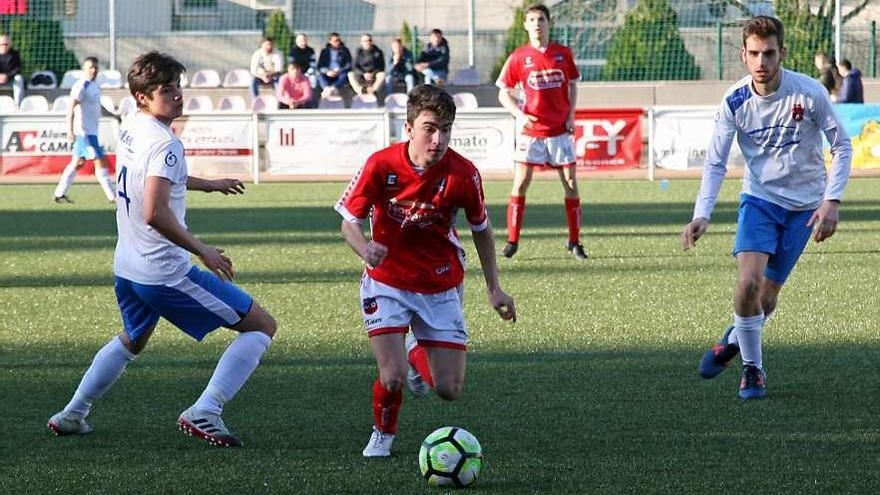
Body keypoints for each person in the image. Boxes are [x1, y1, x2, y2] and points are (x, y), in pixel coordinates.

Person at [47, 52, 277, 447]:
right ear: (142, 98)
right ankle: (206, 410)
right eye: (165, 90)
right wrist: (202, 249)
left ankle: (73, 413)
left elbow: (150, 181)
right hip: (163, 272)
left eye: (178, 87)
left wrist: (209, 184)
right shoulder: (167, 143)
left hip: (127, 265)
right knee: (261, 326)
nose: (177, 96)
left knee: (134, 338)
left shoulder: (133, 127)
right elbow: (155, 212)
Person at [334, 84, 516, 457]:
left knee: (448, 389)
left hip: (440, 283)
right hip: (387, 283)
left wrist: (494, 288)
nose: (438, 138)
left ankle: (417, 345)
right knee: (393, 376)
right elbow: (348, 222)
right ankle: (383, 435)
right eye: (430, 128)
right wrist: (364, 248)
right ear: (409, 127)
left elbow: (481, 230)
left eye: (446, 129)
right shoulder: (380, 164)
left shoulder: (465, 174)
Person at [684, 16, 852, 400]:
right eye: (755, 53)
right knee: (747, 284)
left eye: (770, 53)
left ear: (782, 54)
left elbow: (842, 146)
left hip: (805, 207)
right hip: (759, 201)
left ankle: (732, 339)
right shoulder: (735, 101)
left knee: (767, 297)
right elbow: (715, 161)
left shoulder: (808, 93)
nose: (762, 62)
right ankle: (752, 368)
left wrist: (832, 200)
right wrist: (701, 214)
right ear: (743, 55)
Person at [495, 4, 586, 260]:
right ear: (526, 25)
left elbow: (572, 85)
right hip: (531, 132)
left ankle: (575, 241)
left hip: (559, 130)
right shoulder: (518, 57)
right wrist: (519, 114)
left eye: (541, 19)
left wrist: (570, 115)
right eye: (532, 20)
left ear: (549, 23)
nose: (537, 24)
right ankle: (512, 240)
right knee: (521, 182)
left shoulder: (562, 54)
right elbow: (503, 91)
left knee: (570, 183)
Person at [52, 57, 116, 204]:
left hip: (92, 133)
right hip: (83, 133)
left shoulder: (94, 86)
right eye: (90, 68)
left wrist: (114, 116)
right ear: (84, 70)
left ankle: (59, 193)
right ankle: (113, 196)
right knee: (101, 161)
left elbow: (99, 108)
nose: (93, 70)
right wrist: (69, 129)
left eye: (95, 67)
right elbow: (71, 107)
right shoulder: (81, 85)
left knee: (77, 162)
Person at [317, 32, 352, 98]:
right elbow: (320, 66)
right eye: (335, 41)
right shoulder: (324, 51)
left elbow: (349, 64)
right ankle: (326, 89)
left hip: (340, 73)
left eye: (339, 40)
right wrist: (327, 71)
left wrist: (339, 70)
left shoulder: (345, 50)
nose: (337, 42)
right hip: (328, 73)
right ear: (330, 41)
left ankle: (333, 88)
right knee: (319, 75)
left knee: (345, 75)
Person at [0, 34, 24, 106]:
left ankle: (18, 105)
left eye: (6, 44)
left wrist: (7, 76)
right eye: (2, 44)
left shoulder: (15, 54)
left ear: (10, 44)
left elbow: (18, 68)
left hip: (11, 78)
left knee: (19, 78)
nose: (4, 46)